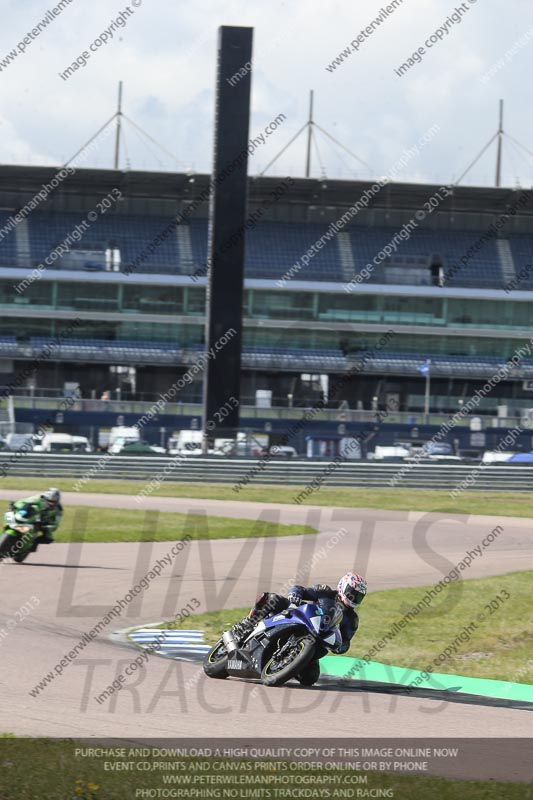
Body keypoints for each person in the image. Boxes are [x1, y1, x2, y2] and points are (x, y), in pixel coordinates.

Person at [229, 572, 367, 686]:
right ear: (343, 586)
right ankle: (246, 625)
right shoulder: (325, 591)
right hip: (300, 619)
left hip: (317, 642)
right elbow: (301, 590)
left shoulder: (352, 620)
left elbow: (346, 642)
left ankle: (287, 663)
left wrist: (340, 647)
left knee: (310, 678)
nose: (354, 598)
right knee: (272, 599)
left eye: (358, 596)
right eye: (352, 593)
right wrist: (295, 594)